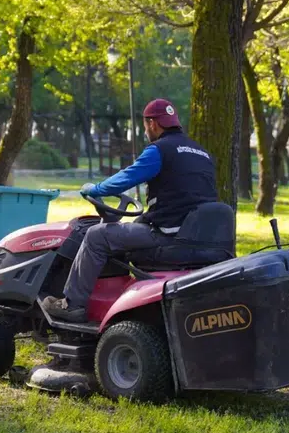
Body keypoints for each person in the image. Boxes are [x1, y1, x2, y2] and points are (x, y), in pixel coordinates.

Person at [42, 99, 217, 322]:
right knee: (132, 227)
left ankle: (72, 304)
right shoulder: (202, 153)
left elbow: (125, 178)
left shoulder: (159, 150)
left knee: (96, 236)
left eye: (146, 125)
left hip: (169, 236)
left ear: (152, 123)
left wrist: (94, 189)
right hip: (199, 237)